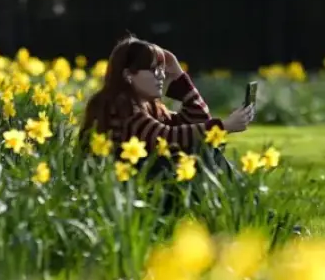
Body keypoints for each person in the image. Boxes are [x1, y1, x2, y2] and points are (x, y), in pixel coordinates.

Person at [79, 34, 254, 178]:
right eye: (154, 69)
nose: (162, 75)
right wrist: (223, 127)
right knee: (200, 153)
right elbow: (166, 137)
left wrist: (178, 73)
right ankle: (245, 206)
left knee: (203, 150)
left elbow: (197, 120)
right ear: (128, 75)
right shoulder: (118, 105)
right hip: (125, 190)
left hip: (143, 183)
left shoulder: (149, 106)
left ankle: (243, 205)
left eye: (163, 69)